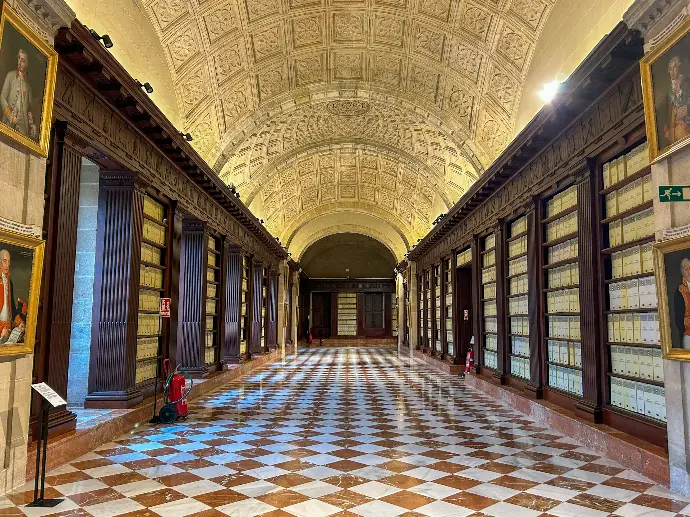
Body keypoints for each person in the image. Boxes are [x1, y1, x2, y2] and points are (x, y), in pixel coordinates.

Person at [0, 49, 37, 140]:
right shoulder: (10, 76)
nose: (19, 63)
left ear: (27, 64)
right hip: (7, 123)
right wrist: (9, 115)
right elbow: (2, 97)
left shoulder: (28, 87)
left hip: (22, 131)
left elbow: (30, 111)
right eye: (19, 58)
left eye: (23, 61)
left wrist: (32, 126)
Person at [0, 249, 26, 344]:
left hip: (7, 326)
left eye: (9, 262)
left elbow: (10, 306)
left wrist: (19, 322)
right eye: (4, 261)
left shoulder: (9, 281)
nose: (7, 265)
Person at [664, 56, 690, 147]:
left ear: (679, 67)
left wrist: (687, 108)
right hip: (677, 122)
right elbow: (670, 111)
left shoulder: (686, 82)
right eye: (670, 69)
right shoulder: (669, 90)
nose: (672, 71)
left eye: (674, 67)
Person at [675, 257, 690, 348]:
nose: (689, 271)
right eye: (686, 269)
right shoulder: (679, 292)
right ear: (683, 272)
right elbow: (679, 320)